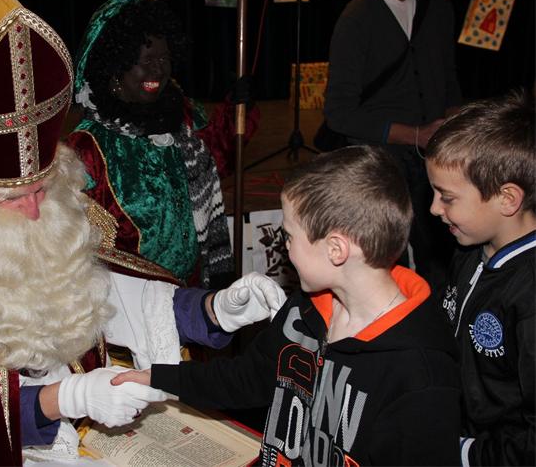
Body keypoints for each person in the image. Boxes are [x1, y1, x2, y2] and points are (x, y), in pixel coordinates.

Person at [0, 0, 285, 465]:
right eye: (13, 200)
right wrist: (63, 399)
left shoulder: (54, 228)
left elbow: (126, 299)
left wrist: (216, 310)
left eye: (41, 190)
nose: (35, 211)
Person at [114, 145, 462, 465]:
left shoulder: (421, 375)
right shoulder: (305, 309)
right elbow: (248, 378)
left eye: (290, 236)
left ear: (336, 250)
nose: (285, 248)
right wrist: (159, 377)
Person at [67, 0, 259, 289]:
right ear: (116, 66)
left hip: (193, 290)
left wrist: (236, 113)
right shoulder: (88, 147)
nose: (158, 70)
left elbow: (219, 157)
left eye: (163, 59)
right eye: (145, 61)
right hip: (131, 299)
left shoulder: (182, 115)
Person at [323, 0, 461, 291]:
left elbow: (449, 80)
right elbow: (338, 114)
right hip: (382, 161)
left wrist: (458, 129)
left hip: (435, 156)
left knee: (442, 262)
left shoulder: (440, 7)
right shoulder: (357, 18)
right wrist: (416, 135)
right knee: (386, 263)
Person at [425, 90, 535, 466]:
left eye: (447, 197)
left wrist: (467, 454)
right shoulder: (468, 251)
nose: (434, 208)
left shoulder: (529, 296)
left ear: (507, 199)